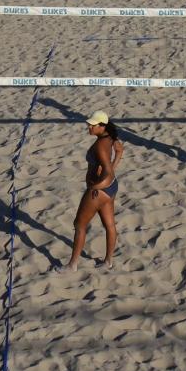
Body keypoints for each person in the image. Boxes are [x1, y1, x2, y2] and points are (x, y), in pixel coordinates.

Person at [62, 111, 122, 271]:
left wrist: (96, 186)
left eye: (92, 125)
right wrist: (110, 175)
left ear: (101, 126)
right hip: (112, 187)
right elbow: (120, 151)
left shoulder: (100, 146)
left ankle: (72, 265)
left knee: (79, 224)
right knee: (109, 225)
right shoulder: (110, 137)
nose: (89, 126)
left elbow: (107, 174)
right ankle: (108, 261)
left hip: (99, 191)